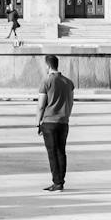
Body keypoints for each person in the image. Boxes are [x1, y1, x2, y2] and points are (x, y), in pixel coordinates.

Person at [36, 54, 74, 191]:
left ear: (48, 66)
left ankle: (57, 182)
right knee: (61, 151)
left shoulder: (46, 82)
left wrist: (38, 123)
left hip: (49, 122)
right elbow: (70, 102)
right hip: (63, 122)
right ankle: (60, 181)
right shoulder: (68, 82)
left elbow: (41, 105)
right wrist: (66, 116)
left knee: (52, 153)